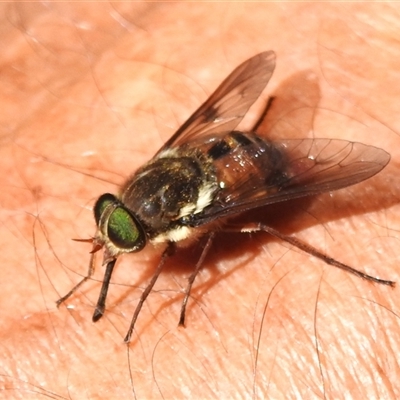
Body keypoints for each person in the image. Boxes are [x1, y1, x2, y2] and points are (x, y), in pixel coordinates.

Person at [1, 3, 399, 398]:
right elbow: (199, 135)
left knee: (256, 225)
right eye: (111, 221)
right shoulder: (140, 193)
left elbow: (205, 231)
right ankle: (260, 130)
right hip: (214, 152)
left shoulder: (185, 222)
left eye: (115, 230)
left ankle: (343, 265)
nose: (107, 236)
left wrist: (187, 284)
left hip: (250, 172)